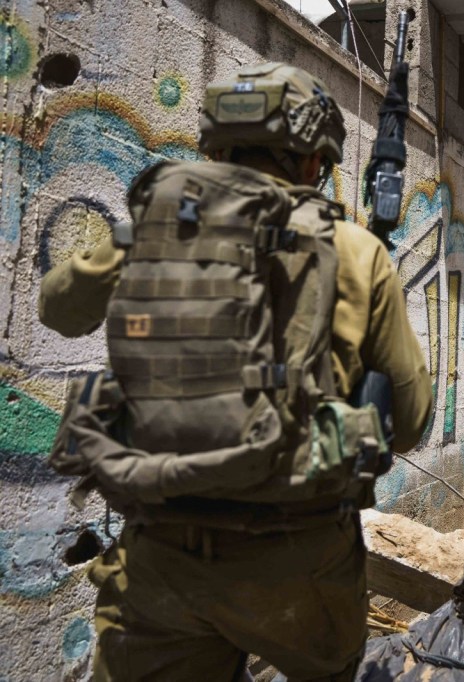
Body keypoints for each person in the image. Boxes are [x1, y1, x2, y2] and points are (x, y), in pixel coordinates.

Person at [38, 63, 432, 681]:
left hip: (160, 561)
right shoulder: (357, 252)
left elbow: (57, 307)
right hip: (301, 566)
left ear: (215, 143)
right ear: (313, 162)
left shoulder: (156, 227)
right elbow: (408, 424)